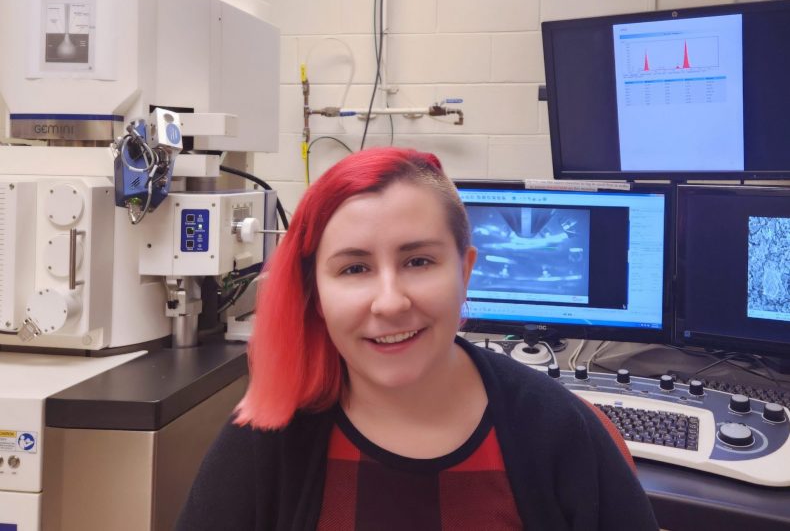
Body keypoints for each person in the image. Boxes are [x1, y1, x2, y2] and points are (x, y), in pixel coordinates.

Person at [177, 147, 659, 531]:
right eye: (354, 268)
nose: (390, 302)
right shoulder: (264, 445)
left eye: (418, 261)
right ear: (316, 294)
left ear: (466, 272)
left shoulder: (564, 435)